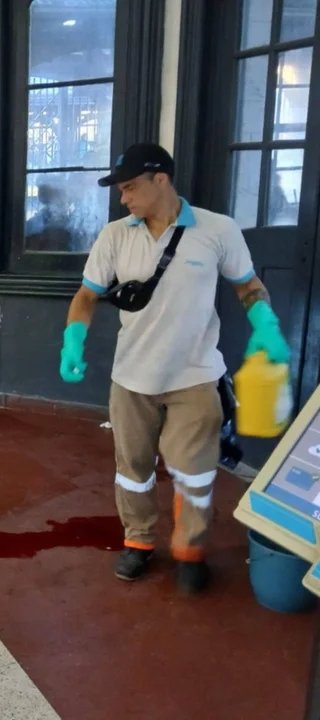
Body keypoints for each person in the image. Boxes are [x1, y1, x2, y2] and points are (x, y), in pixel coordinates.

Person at [59, 143, 290, 594]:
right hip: (132, 378)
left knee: (195, 472)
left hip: (195, 376)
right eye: (121, 190)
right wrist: (73, 338)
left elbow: (248, 286)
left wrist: (265, 323)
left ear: (160, 179)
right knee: (133, 469)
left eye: (130, 187)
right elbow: (87, 295)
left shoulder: (217, 229)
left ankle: (190, 550)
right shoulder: (115, 235)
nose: (123, 198)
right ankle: (139, 540)